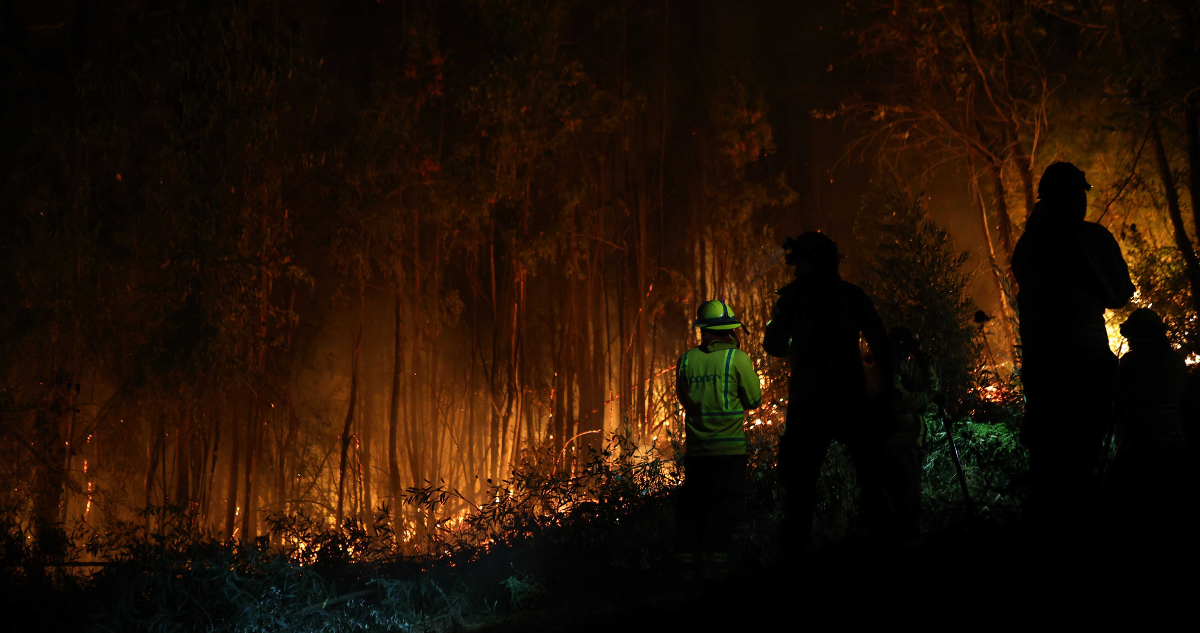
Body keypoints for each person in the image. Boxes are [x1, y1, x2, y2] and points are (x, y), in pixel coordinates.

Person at [1011, 162, 1134, 537]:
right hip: (1084, 359)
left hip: (1045, 364)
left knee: (1051, 459)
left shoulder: (1030, 244)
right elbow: (1120, 295)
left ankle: (1057, 532)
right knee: (1085, 458)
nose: (1082, 201)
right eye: (1078, 194)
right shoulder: (1091, 238)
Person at [763, 232, 894, 554]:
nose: (793, 270)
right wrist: (887, 388)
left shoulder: (791, 299)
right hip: (851, 395)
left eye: (796, 263)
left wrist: (798, 338)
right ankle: (884, 543)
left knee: (799, 485)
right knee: (872, 476)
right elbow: (880, 341)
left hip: (809, 401)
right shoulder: (852, 295)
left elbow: (774, 345)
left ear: (806, 261)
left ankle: (796, 553)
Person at [674, 299, 762, 576]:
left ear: (703, 330)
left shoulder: (687, 359)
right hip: (730, 452)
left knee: (695, 503)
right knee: (725, 504)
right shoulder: (738, 358)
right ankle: (717, 563)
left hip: (697, 452)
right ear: (730, 330)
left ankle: (687, 562)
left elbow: (684, 398)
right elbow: (754, 399)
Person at [1109, 308, 1187, 545]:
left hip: (1139, 445)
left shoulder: (1130, 364)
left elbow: (1119, 405)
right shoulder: (1175, 361)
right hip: (1175, 443)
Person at [883, 326, 940, 545]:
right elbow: (904, 401)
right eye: (905, 348)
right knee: (905, 502)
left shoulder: (903, 373)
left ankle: (909, 538)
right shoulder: (886, 373)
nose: (907, 355)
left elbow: (931, 388)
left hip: (911, 443)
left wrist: (925, 364)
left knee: (912, 498)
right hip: (897, 446)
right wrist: (928, 398)